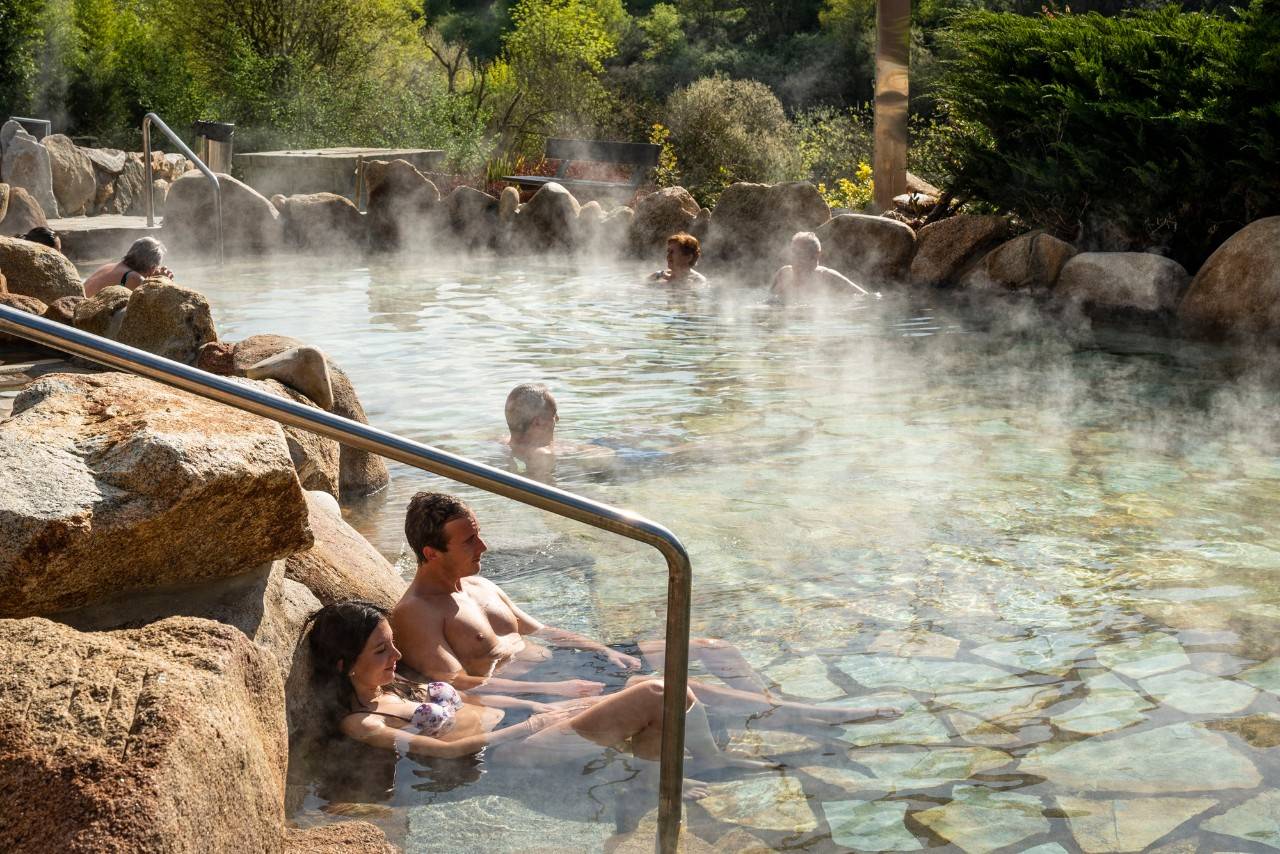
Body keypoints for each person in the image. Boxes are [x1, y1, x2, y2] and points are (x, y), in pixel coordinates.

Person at [390, 492, 896, 725]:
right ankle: (806, 716)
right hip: (548, 686)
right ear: (431, 552)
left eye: (478, 532)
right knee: (683, 684)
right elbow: (459, 686)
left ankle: (757, 719)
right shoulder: (417, 612)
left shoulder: (477, 584)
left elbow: (539, 629)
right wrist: (556, 689)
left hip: (575, 665)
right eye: (469, 540)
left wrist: (601, 649)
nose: (484, 546)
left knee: (711, 650)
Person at [305, 599, 766, 782]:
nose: (396, 656)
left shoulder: (401, 685)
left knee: (648, 688)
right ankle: (709, 763)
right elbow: (447, 752)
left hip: (526, 723)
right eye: (381, 651)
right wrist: (537, 721)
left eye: (392, 645)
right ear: (345, 665)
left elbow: (475, 700)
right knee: (653, 694)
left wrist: (540, 702)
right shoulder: (362, 721)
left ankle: (652, 782)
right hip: (510, 753)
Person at [769, 231, 869, 304]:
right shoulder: (784, 273)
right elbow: (769, 298)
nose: (795, 257)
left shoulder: (827, 276)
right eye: (793, 251)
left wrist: (838, 304)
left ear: (816, 255)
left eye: (801, 253)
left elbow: (866, 297)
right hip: (787, 322)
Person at [83, 236, 174, 297]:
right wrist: (163, 282)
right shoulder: (134, 278)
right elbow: (153, 306)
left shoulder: (109, 266)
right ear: (152, 268)